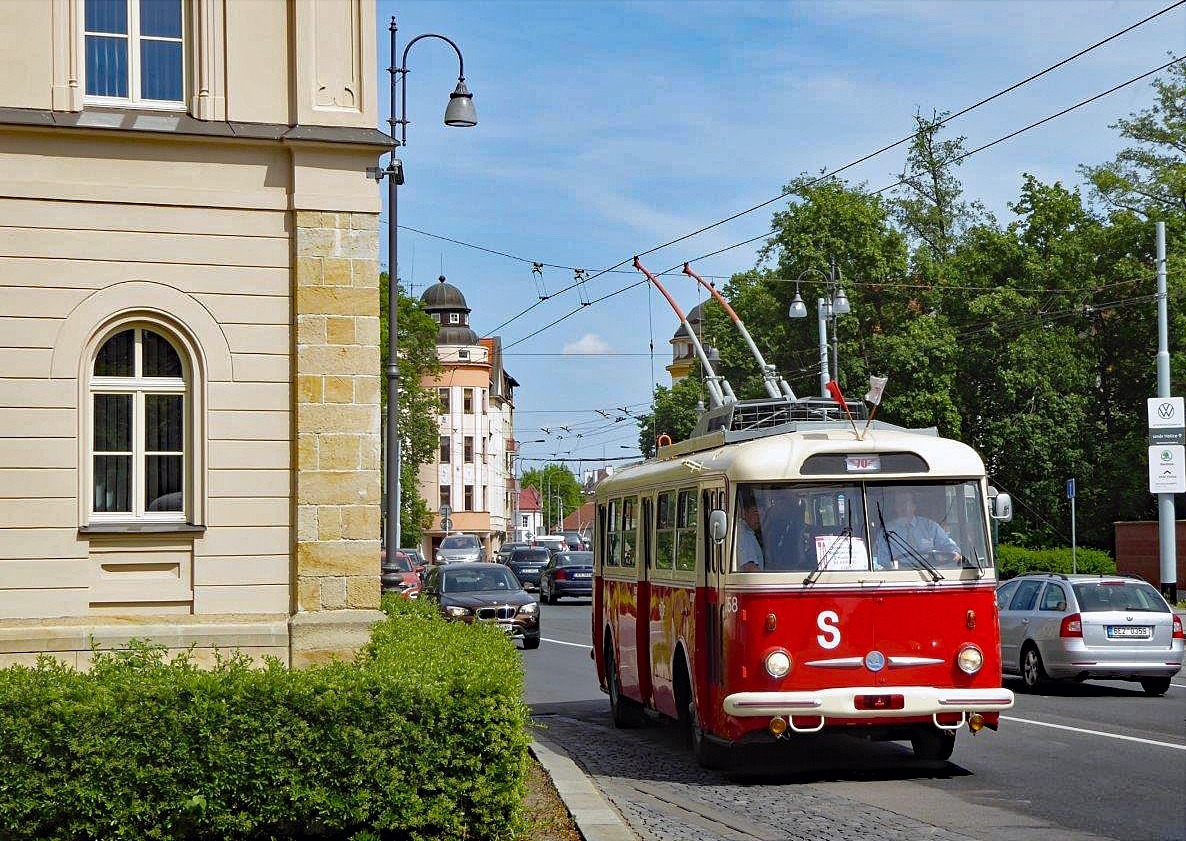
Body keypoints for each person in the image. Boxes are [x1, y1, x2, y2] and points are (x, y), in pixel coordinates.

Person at [873, 492, 962, 568]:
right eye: (899, 503)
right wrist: (896, 566)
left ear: (914, 506)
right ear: (895, 508)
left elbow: (947, 545)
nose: (902, 506)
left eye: (905, 502)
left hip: (931, 572)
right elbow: (882, 559)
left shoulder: (930, 527)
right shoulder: (886, 531)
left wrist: (954, 552)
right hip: (899, 574)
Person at [736, 492, 765, 571]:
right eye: (755, 512)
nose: (759, 517)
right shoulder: (744, 534)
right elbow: (750, 568)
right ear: (745, 513)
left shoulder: (750, 532)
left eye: (762, 514)